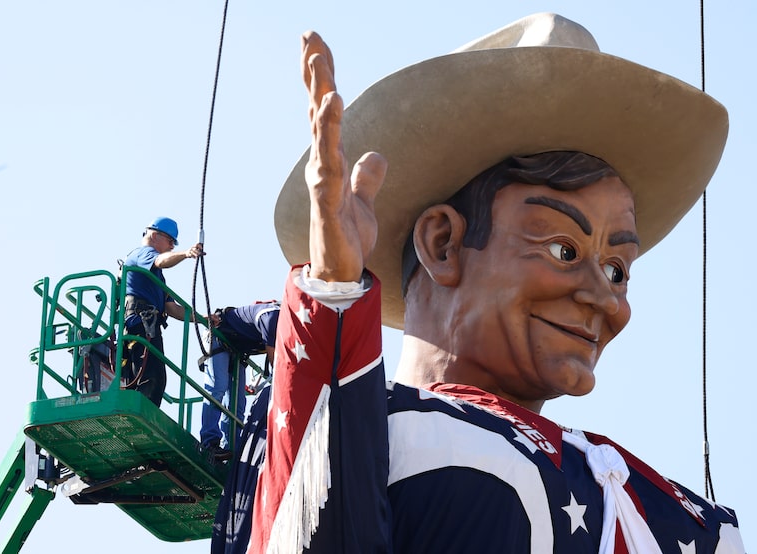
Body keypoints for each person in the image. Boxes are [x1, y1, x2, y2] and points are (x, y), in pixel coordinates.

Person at [214, 13, 745, 553]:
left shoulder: (679, 517)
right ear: (444, 243)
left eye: (617, 270)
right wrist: (331, 299)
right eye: (564, 250)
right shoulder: (366, 431)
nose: (605, 298)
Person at [122, 216, 202, 406]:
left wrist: (203, 319)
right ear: (155, 235)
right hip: (139, 323)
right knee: (151, 376)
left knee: (155, 377)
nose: (172, 246)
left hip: (148, 325)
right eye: (170, 241)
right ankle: (141, 418)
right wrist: (186, 254)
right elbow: (160, 261)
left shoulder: (156, 278)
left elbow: (173, 309)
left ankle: (142, 415)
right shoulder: (143, 254)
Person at [199, 302, 280, 462]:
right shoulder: (274, 317)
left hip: (237, 349)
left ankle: (232, 452)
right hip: (219, 334)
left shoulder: (285, 323)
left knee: (238, 403)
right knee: (218, 387)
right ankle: (209, 443)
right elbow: (277, 364)